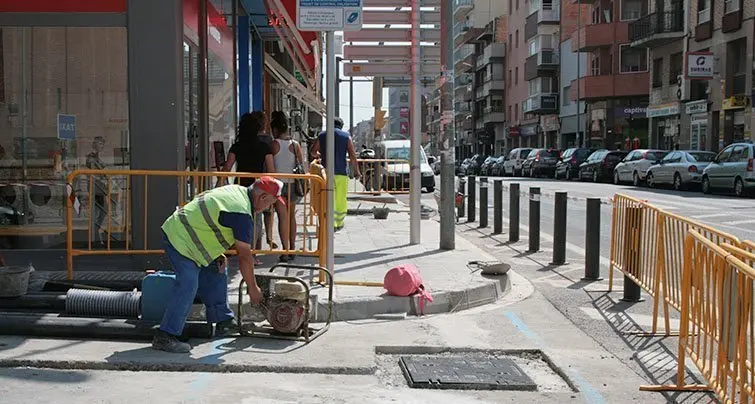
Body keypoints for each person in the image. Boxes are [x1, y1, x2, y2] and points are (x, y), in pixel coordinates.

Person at [153, 177, 287, 353]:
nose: (269, 207)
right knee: (188, 284)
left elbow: (213, 220)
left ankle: (223, 321)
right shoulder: (241, 213)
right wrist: (253, 288)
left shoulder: (238, 192)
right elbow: (245, 257)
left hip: (191, 236)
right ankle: (165, 336)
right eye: (270, 202)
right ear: (262, 197)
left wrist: (216, 253)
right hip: (180, 238)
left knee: (217, 269)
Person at [223, 112, 274, 265]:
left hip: (240, 188)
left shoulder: (237, 146)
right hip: (258, 188)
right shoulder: (265, 147)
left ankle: (239, 250)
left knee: (240, 220)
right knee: (256, 222)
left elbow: (227, 167)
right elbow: (271, 170)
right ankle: (252, 254)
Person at [311, 117, 360, 231]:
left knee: (328, 197)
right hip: (341, 173)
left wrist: (320, 156)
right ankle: (338, 222)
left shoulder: (322, 135)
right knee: (340, 198)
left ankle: (328, 222)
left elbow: (313, 152)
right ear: (341, 126)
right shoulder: (346, 136)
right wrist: (357, 171)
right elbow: (352, 155)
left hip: (326, 172)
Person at [271, 111, 304, 261]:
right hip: (293, 184)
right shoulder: (295, 145)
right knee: (292, 217)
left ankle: (285, 250)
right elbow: (302, 165)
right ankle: (292, 247)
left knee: (282, 218)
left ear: (275, 129)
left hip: (278, 185)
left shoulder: (274, 145)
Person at [86, 136, 108, 245]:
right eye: (100, 144)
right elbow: (92, 172)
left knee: (103, 210)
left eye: (102, 144)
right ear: (95, 144)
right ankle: (94, 236)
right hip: (96, 187)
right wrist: (101, 179)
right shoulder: (91, 157)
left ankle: (95, 231)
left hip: (100, 188)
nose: (101, 146)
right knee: (98, 211)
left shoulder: (98, 157)